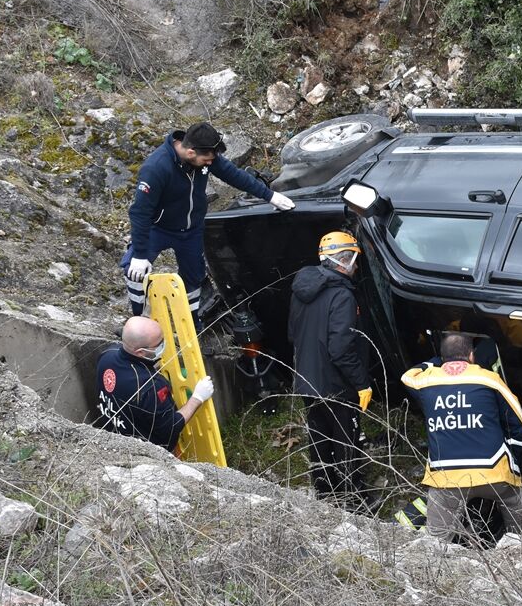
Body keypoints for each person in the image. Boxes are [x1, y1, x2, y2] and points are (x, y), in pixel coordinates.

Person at [123, 122, 295, 322]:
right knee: (134, 271)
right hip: (158, 227)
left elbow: (234, 175)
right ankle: (140, 322)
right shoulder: (156, 168)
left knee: (193, 278)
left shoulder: (206, 157)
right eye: (206, 160)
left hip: (191, 230)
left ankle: (189, 322)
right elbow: (140, 213)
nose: (210, 163)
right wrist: (141, 254)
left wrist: (269, 195)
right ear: (190, 153)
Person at [401, 333, 522, 542]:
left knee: (436, 541)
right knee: (514, 499)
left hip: (446, 478)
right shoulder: (489, 379)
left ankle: (439, 562)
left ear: (443, 357)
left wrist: (435, 362)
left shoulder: (426, 381)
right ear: (471, 355)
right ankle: (520, 546)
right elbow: (517, 421)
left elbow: (407, 375)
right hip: (493, 471)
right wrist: (515, 461)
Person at [288, 231, 374, 501]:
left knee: (319, 437)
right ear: (344, 260)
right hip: (337, 384)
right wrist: (361, 383)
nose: (357, 266)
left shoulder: (302, 288)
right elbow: (341, 348)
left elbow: (293, 333)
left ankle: (324, 492)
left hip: (307, 379)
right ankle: (354, 497)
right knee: (347, 440)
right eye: (355, 260)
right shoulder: (343, 296)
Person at [95, 316, 214, 452]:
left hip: (113, 438)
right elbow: (170, 428)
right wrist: (197, 398)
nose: (164, 344)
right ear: (140, 352)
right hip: (147, 452)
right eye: (160, 343)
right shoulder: (151, 386)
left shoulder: (107, 354)